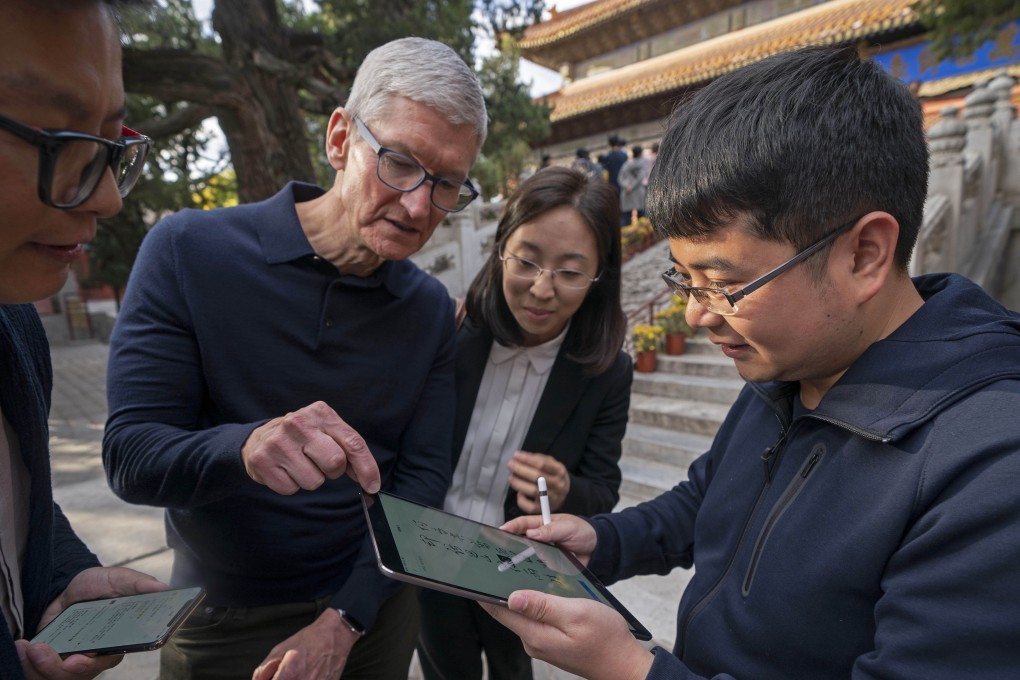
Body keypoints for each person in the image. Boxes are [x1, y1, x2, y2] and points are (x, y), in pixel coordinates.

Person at [483, 44, 1020, 679]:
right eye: (684, 280)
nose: (697, 315)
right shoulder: (787, 364)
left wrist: (631, 668)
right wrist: (603, 542)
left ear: (865, 254)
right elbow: (705, 500)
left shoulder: (991, 465)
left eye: (721, 283)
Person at [102, 37, 487, 680]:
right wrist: (243, 448)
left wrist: (346, 621)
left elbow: (419, 487)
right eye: (398, 162)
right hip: (222, 617)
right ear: (340, 139)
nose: (420, 206)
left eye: (446, 183)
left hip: (371, 609)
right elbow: (131, 456)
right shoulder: (189, 252)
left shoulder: (427, 312)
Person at [0, 2, 169, 680]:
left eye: (109, 140)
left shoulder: (16, 324)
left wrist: (62, 581)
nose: (107, 199)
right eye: (60, 141)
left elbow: (22, 513)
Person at [417, 167, 632, 680]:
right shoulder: (450, 333)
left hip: (514, 566)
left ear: (599, 276)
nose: (541, 289)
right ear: (500, 250)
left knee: (514, 670)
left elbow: (602, 491)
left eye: (569, 271)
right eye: (527, 261)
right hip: (429, 552)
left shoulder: (605, 373)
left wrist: (564, 487)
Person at [618, 144, 646, 226]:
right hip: (638, 192)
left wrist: (626, 186)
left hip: (627, 193)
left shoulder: (626, 163)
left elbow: (620, 177)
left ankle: (627, 236)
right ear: (640, 153)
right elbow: (640, 178)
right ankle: (641, 235)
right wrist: (632, 186)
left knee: (626, 218)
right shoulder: (642, 163)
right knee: (641, 218)